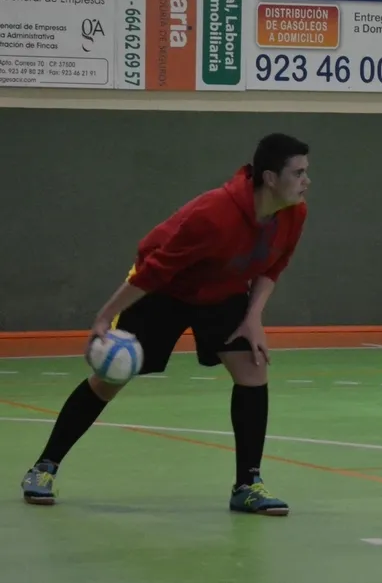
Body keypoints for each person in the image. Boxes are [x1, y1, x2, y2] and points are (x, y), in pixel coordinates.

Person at [20, 133, 311, 515]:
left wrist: (253, 317)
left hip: (222, 293)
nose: (306, 181)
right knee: (110, 378)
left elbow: (274, 266)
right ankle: (44, 467)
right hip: (165, 291)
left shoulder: (293, 213)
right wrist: (105, 316)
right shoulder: (214, 214)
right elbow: (154, 269)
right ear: (270, 178)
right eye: (298, 173)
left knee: (253, 370)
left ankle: (248, 486)